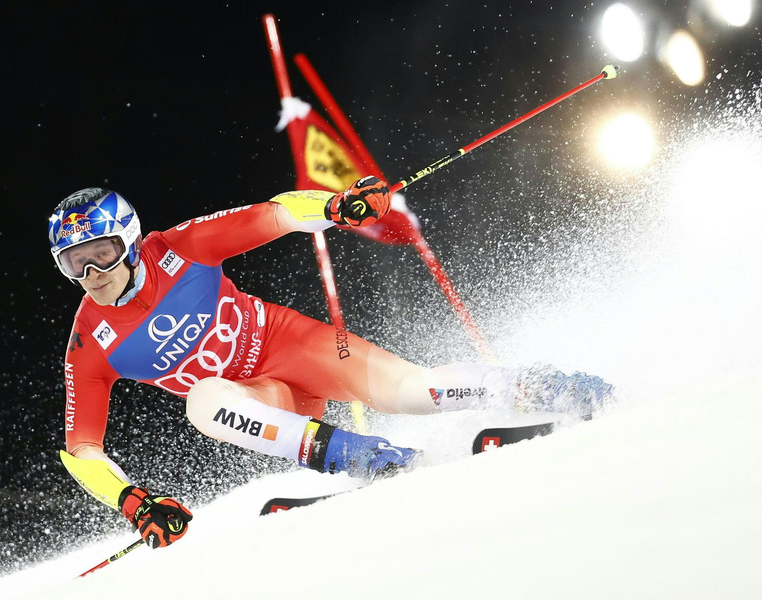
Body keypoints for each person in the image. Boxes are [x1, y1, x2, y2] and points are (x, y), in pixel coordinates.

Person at [49, 180, 613, 549]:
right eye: (75, 262)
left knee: (415, 392)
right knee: (203, 402)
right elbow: (82, 450)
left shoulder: (182, 246)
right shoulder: (89, 342)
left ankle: (550, 387)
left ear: (126, 238)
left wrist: (337, 206)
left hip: (293, 345)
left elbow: (278, 212)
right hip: (260, 402)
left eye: (101, 251)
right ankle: (369, 458)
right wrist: (134, 504)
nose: (92, 271)